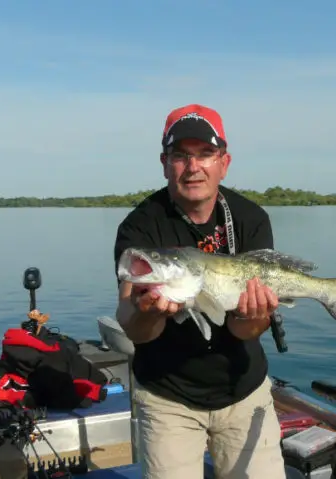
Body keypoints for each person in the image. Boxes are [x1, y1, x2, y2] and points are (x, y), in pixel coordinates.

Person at [112, 104, 287, 479]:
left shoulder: (251, 218)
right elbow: (133, 327)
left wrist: (255, 317)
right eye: (181, 156)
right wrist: (149, 312)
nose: (193, 168)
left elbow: (245, 330)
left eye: (206, 154)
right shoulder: (140, 232)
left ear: (224, 162)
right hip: (167, 397)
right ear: (164, 162)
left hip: (244, 390)